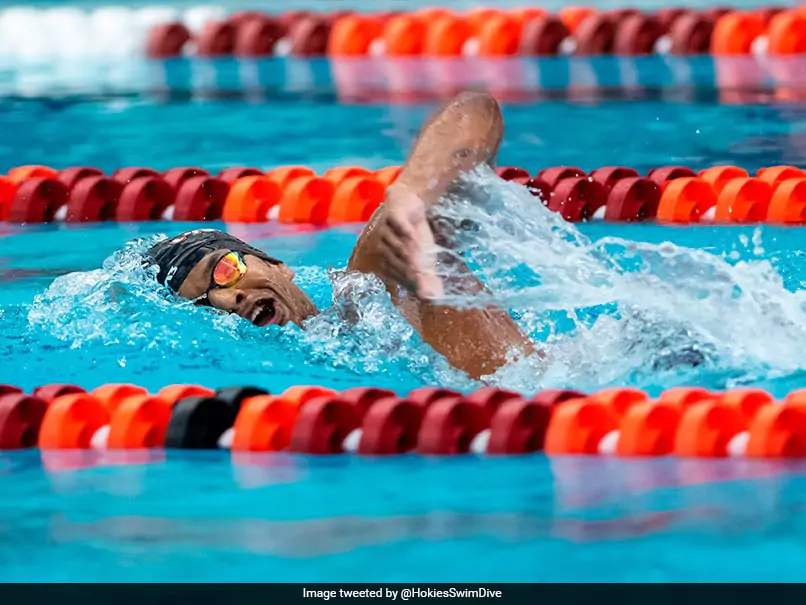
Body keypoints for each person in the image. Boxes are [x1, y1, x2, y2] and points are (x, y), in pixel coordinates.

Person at [144, 92, 537, 381]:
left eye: (225, 270)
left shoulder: (373, 284)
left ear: (276, 264)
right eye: (203, 305)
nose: (229, 299)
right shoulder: (322, 367)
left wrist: (422, 189)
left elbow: (474, 112)